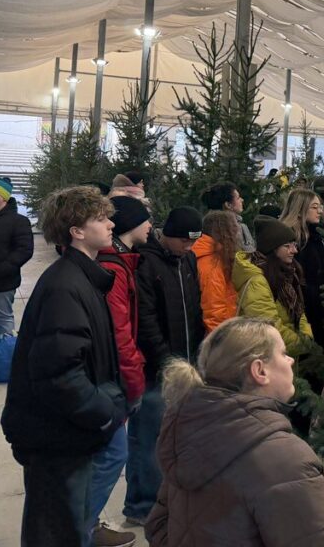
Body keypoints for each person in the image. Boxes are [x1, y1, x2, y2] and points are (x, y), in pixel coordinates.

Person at [145, 317, 324, 546]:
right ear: (260, 371)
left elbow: (158, 527)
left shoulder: (190, 436)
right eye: (283, 353)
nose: (291, 361)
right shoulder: (286, 459)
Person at [1, 187, 126, 547]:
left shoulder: (81, 278)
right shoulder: (65, 286)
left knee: (63, 525)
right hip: (57, 437)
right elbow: (59, 375)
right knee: (56, 530)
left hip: (65, 433)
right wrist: (105, 410)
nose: (111, 224)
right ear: (77, 231)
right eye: (101, 218)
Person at [128, 206, 205, 526]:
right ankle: (141, 506)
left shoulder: (187, 260)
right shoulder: (147, 263)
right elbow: (145, 320)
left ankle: (169, 498)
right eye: (185, 241)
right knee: (149, 438)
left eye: (193, 242)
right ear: (168, 235)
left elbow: (194, 309)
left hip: (184, 365)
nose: (190, 247)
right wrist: (165, 362)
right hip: (156, 370)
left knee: (176, 436)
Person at [91, 196, 154, 547]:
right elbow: (120, 332)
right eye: (146, 220)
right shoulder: (114, 269)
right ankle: (81, 527)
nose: (151, 226)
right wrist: (134, 380)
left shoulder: (125, 261)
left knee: (110, 453)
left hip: (114, 374)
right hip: (112, 376)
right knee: (112, 454)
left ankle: (84, 524)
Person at [234, 217, 313, 356]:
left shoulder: (284, 273)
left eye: (294, 245)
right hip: (268, 357)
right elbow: (268, 326)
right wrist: (301, 343)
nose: (294, 250)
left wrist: (305, 333)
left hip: (283, 355)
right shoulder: (257, 281)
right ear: (272, 249)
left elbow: (298, 311)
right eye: (287, 246)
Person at [0, 176, 34, 335]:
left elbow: (24, 250)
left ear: (4, 196)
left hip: (2, 284)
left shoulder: (19, 221)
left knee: (3, 322)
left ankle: (6, 350)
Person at [280, 188, 324, 346]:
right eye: (314, 207)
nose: (320, 211)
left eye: (320, 207)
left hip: (319, 307)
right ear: (300, 209)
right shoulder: (290, 240)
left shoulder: (315, 235)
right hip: (302, 311)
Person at [194, 210, 241, 332]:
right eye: (234, 229)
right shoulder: (211, 262)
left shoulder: (216, 255)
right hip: (220, 333)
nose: (237, 233)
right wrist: (223, 338)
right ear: (225, 232)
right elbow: (213, 311)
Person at [202, 181, 254, 252]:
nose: (242, 200)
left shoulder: (205, 227)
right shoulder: (235, 229)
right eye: (238, 198)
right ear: (228, 205)